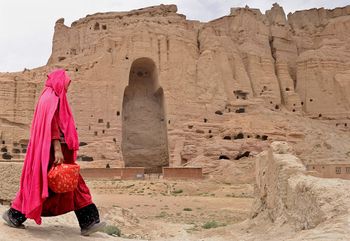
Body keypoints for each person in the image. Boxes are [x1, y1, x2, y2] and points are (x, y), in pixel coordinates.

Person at [2, 69, 106, 236]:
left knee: (44, 183)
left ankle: (15, 214)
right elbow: (52, 125)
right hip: (53, 152)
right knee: (73, 183)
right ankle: (88, 221)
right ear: (59, 81)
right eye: (67, 83)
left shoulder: (48, 97)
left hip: (50, 151)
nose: (68, 86)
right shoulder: (53, 98)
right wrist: (57, 149)